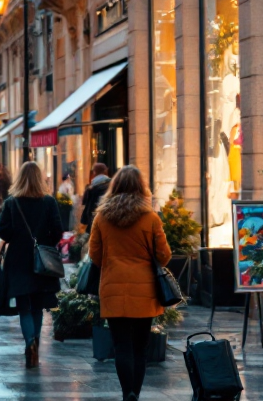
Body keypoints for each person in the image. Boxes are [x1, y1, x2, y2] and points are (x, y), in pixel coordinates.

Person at [88, 166, 172, 401]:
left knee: (121, 345)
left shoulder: (102, 217)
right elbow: (164, 256)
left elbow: (94, 255)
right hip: (144, 290)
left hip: (113, 288)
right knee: (140, 346)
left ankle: (128, 393)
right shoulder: (150, 218)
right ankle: (136, 391)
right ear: (141, 187)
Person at [0, 160, 63, 369]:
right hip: (43, 261)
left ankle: (29, 343)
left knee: (24, 306)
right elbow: (58, 230)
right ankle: (36, 346)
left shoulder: (12, 203)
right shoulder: (49, 202)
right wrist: (45, 243)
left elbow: (2, 232)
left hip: (18, 260)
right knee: (38, 307)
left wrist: (19, 236)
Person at [80, 162, 111, 233]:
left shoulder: (92, 188)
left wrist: (84, 221)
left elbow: (88, 207)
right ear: (105, 171)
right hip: (110, 222)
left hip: (95, 222)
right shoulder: (112, 185)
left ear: (94, 172)